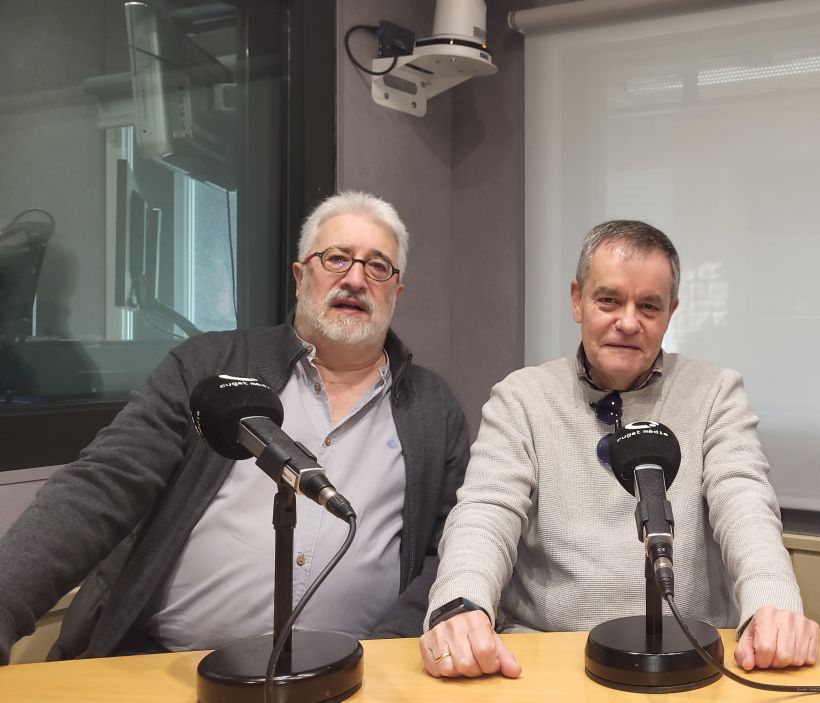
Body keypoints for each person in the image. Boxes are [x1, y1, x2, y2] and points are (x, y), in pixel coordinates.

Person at [0, 191, 469, 664]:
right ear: (300, 276)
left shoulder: (433, 408)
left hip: (354, 678)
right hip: (169, 667)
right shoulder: (209, 367)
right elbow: (100, 487)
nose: (354, 279)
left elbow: (448, 551)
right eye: (337, 258)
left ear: (396, 292)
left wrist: (388, 652)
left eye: (378, 267)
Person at [419, 220, 819, 679]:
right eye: (608, 300)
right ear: (577, 299)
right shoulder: (521, 398)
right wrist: (460, 604)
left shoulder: (716, 393)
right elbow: (485, 513)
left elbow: (744, 501)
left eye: (648, 306)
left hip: (687, 655)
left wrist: (772, 603)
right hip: (547, 658)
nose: (628, 322)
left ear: (671, 312)